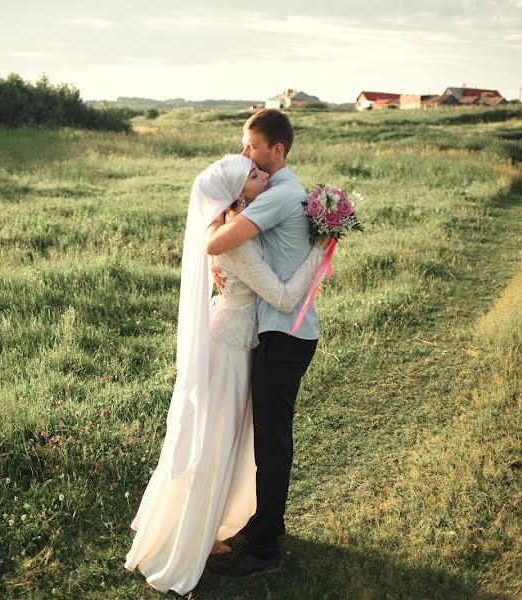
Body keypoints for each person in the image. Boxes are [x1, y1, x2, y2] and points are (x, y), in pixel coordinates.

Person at [124, 153, 326, 595]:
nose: (262, 177)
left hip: (233, 339)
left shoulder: (228, 232)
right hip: (233, 350)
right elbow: (285, 297)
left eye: (260, 170)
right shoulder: (235, 242)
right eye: (253, 176)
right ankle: (195, 534)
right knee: (215, 441)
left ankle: (207, 526)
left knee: (222, 440)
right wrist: (321, 250)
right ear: (237, 193)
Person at [205, 109, 317, 577]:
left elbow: (219, 243)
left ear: (278, 151)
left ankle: (265, 546)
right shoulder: (286, 192)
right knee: (268, 439)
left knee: (270, 443)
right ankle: (267, 525)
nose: (245, 154)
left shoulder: (278, 194)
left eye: (252, 148)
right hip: (278, 330)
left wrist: (218, 234)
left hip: (281, 331)